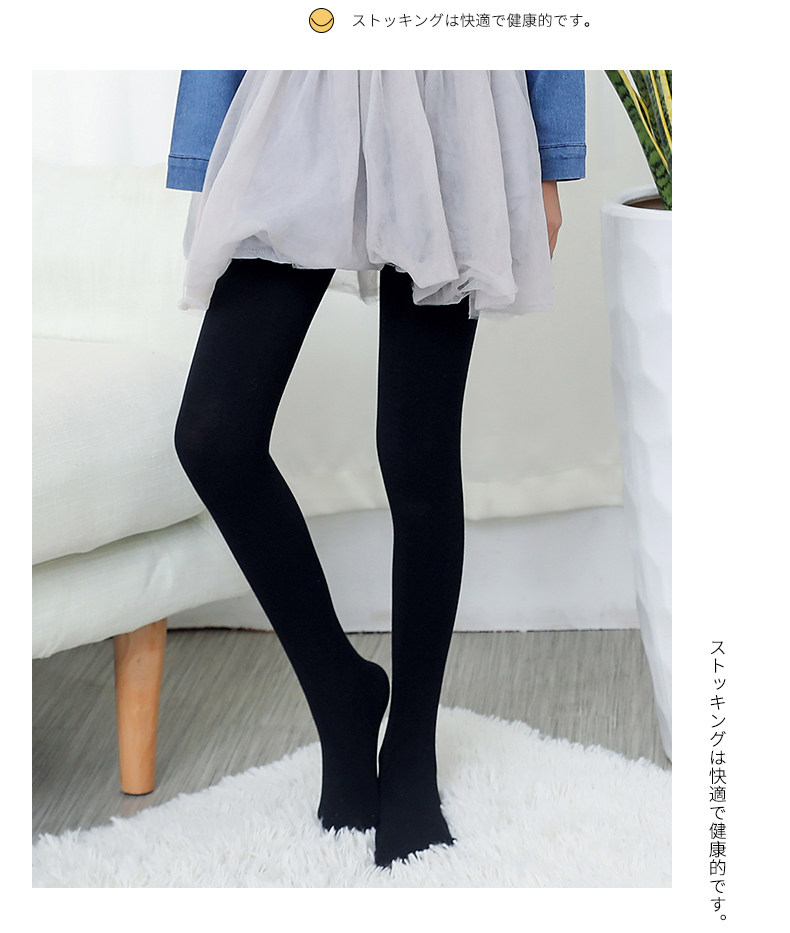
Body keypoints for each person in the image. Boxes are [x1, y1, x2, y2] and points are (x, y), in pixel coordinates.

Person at [167, 70, 586, 869]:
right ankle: (344, 695)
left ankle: (413, 750)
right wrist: (204, 145)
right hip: (300, 86)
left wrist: (553, 159)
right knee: (214, 437)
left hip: (453, 94)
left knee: (417, 450)